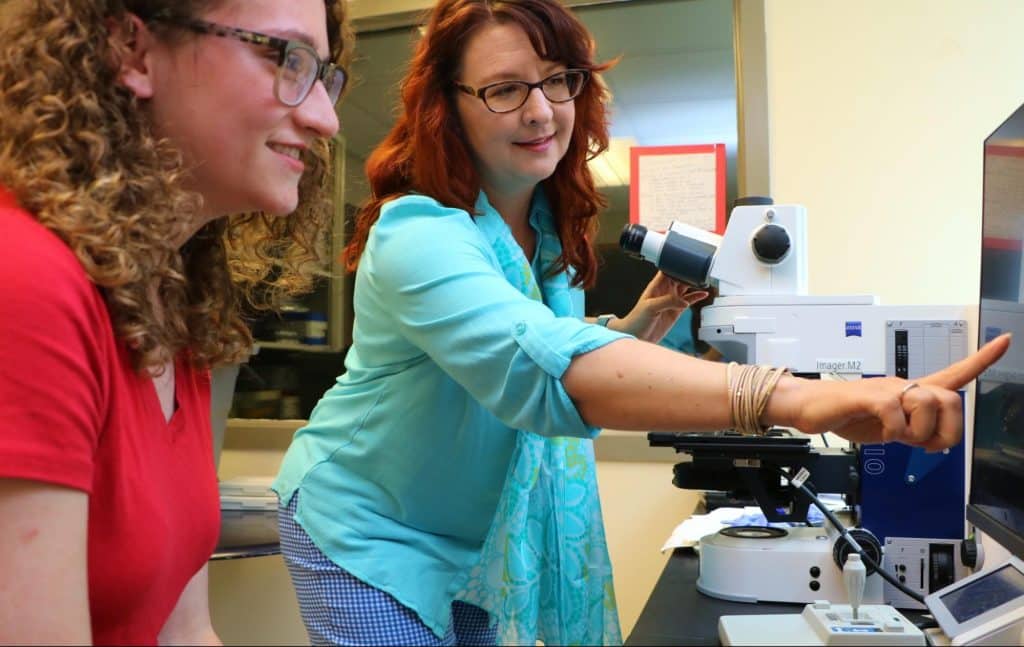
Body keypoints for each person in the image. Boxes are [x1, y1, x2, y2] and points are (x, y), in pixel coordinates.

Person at [273, 1, 1009, 645]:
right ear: (448, 107)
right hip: (367, 524)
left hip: (468, 539)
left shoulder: (546, 236)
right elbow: (544, 369)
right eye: (503, 89)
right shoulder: (418, 233)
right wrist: (803, 397)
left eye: (557, 79)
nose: (540, 110)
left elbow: (567, 352)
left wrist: (642, 321)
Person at [0, 0, 349, 643]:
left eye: (323, 73)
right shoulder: (24, 281)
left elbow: (185, 632)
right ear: (132, 50)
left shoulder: (172, 312)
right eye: (284, 57)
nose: (324, 118)